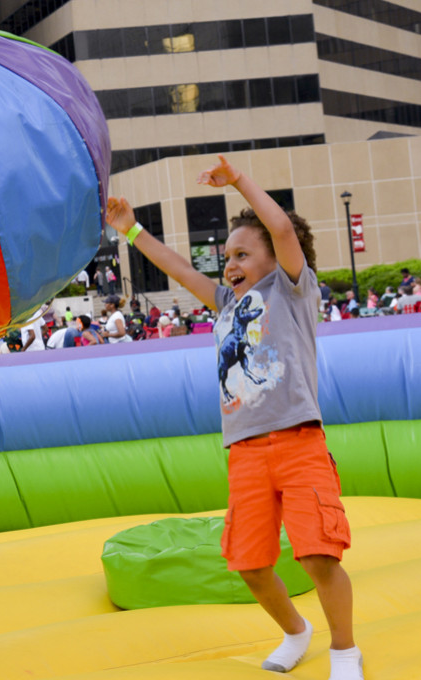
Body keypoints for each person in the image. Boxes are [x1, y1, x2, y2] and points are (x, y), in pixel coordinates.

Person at [106, 154, 363, 679]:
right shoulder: (226, 304)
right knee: (248, 563)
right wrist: (130, 229)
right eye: (226, 257)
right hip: (244, 452)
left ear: (275, 258)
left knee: (317, 557)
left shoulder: (292, 291)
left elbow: (283, 226)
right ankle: (296, 631)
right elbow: (178, 267)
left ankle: (344, 651)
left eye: (243, 254)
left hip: (298, 443)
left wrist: (240, 182)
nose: (229, 265)